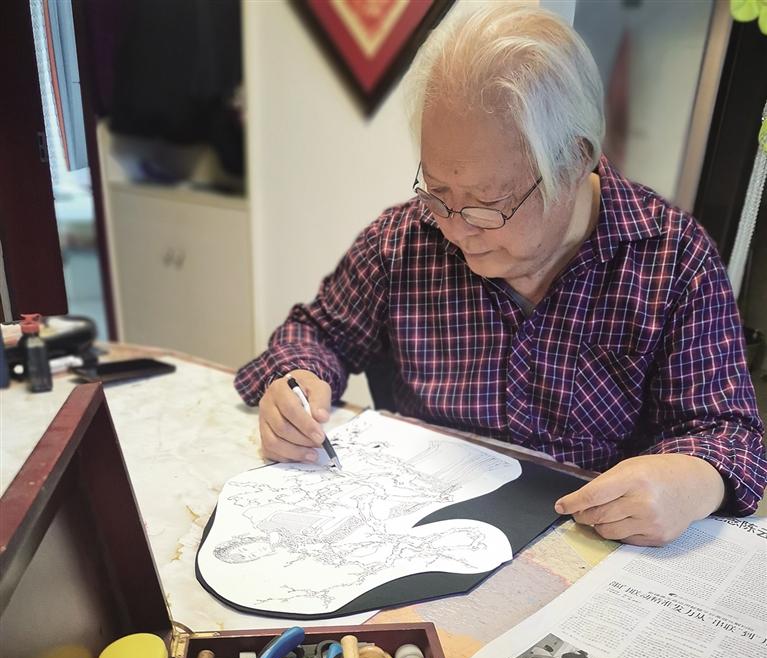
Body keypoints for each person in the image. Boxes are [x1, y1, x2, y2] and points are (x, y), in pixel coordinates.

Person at [234, 3, 766, 546]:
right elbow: (316, 333)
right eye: (439, 191)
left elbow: (731, 435)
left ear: (574, 161)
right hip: (413, 530)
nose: (457, 227)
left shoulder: (671, 260)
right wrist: (296, 383)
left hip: (588, 546)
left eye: (488, 203)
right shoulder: (404, 241)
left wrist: (693, 481)